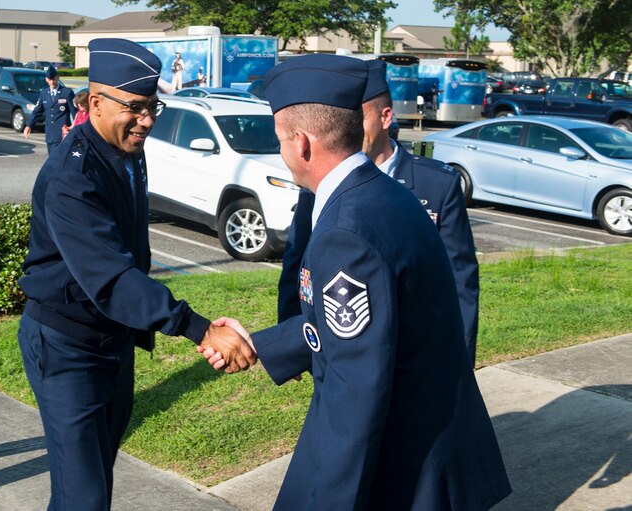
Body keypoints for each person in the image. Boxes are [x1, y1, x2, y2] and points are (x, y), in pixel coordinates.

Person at [205, 54, 510, 510]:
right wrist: (261, 343)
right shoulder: (384, 193)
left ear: (302, 143)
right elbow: (371, 322)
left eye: (281, 141)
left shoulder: (345, 231)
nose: (282, 153)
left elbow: (356, 388)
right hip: (432, 438)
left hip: (404, 461)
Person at [17, 38, 255, 511]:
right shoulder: (72, 175)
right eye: (136, 108)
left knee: (90, 484)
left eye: (153, 108)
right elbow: (109, 276)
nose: (146, 120)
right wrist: (197, 327)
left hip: (113, 339)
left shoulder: (126, 151)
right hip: (69, 347)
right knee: (82, 495)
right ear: (97, 103)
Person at [278, 59, 480, 363]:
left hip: (414, 352)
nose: (348, 129)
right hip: (342, 347)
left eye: (358, 117)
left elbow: (461, 281)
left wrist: (461, 359)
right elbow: (298, 266)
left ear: (386, 117)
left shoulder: (436, 184)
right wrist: (289, 345)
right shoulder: (320, 183)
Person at [23, 65, 77, 153]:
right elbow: (37, 111)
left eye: (54, 79)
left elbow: (75, 113)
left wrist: (76, 128)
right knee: (52, 160)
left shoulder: (66, 92)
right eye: (50, 79)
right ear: (46, 80)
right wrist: (29, 125)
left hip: (63, 134)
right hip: (50, 134)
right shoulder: (44, 93)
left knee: (59, 161)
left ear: (58, 78)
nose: (52, 82)